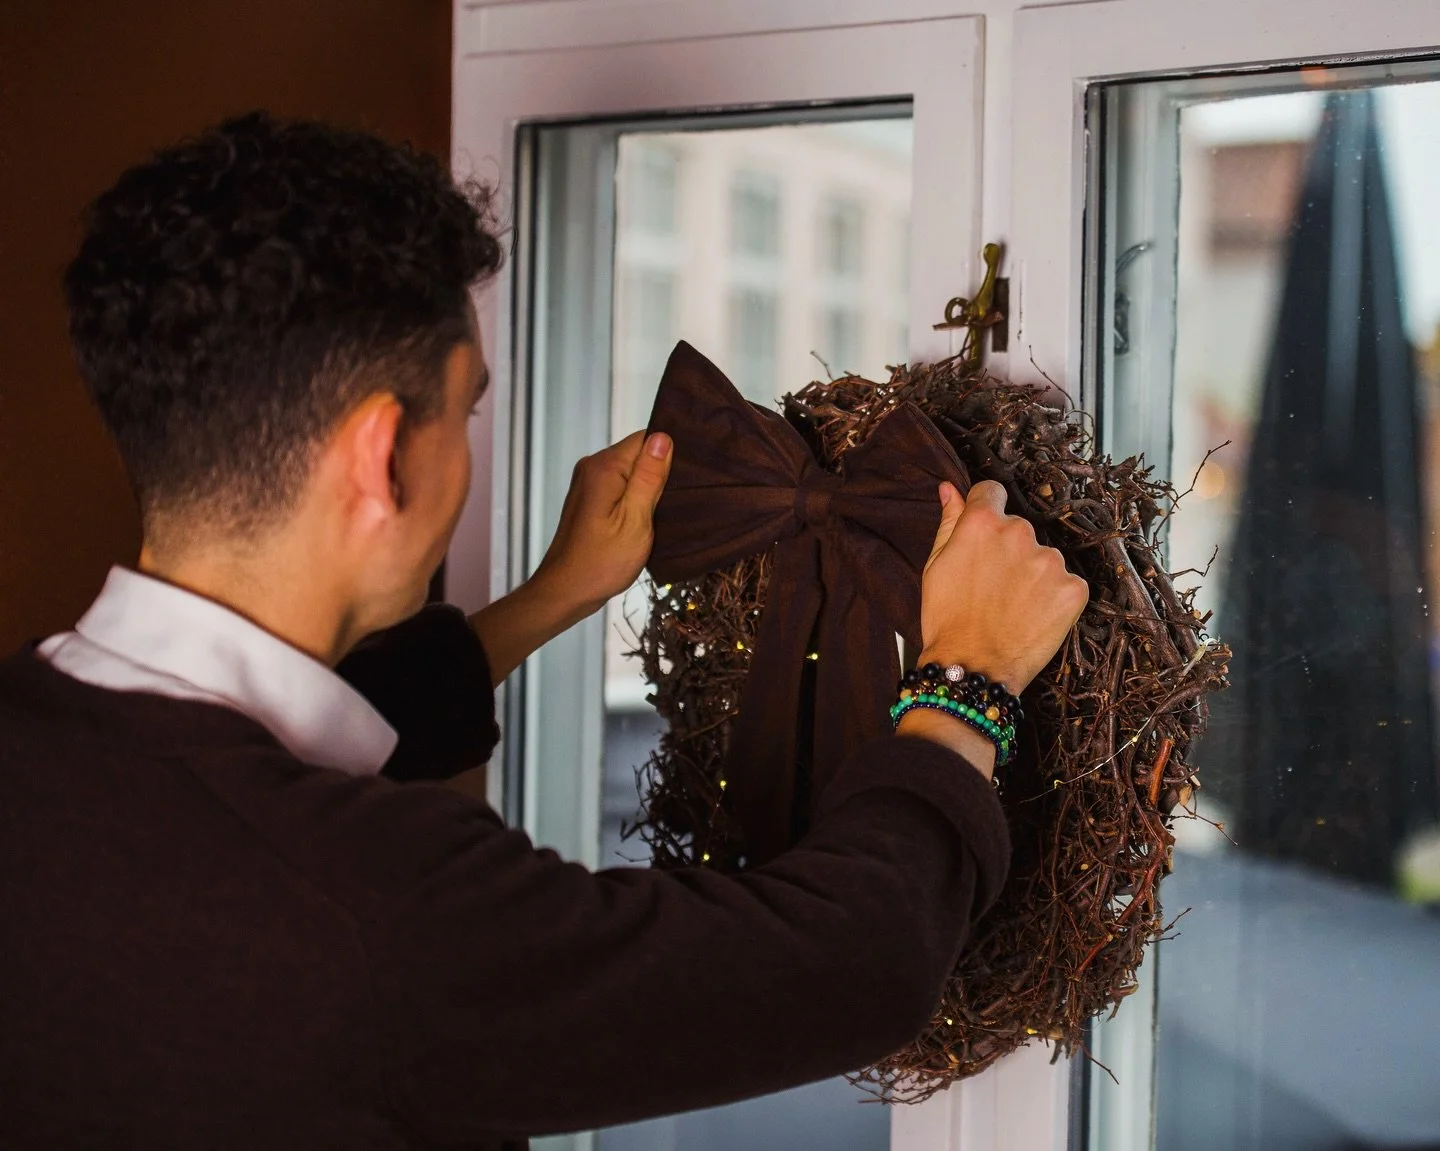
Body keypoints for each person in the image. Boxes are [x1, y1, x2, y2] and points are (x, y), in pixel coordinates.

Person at [0, 113, 1087, 1150]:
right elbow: (848, 963)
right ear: (383, 455)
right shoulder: (375, 911)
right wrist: (969, 675)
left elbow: (244, 767)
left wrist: (549, 597)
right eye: (466, 409)